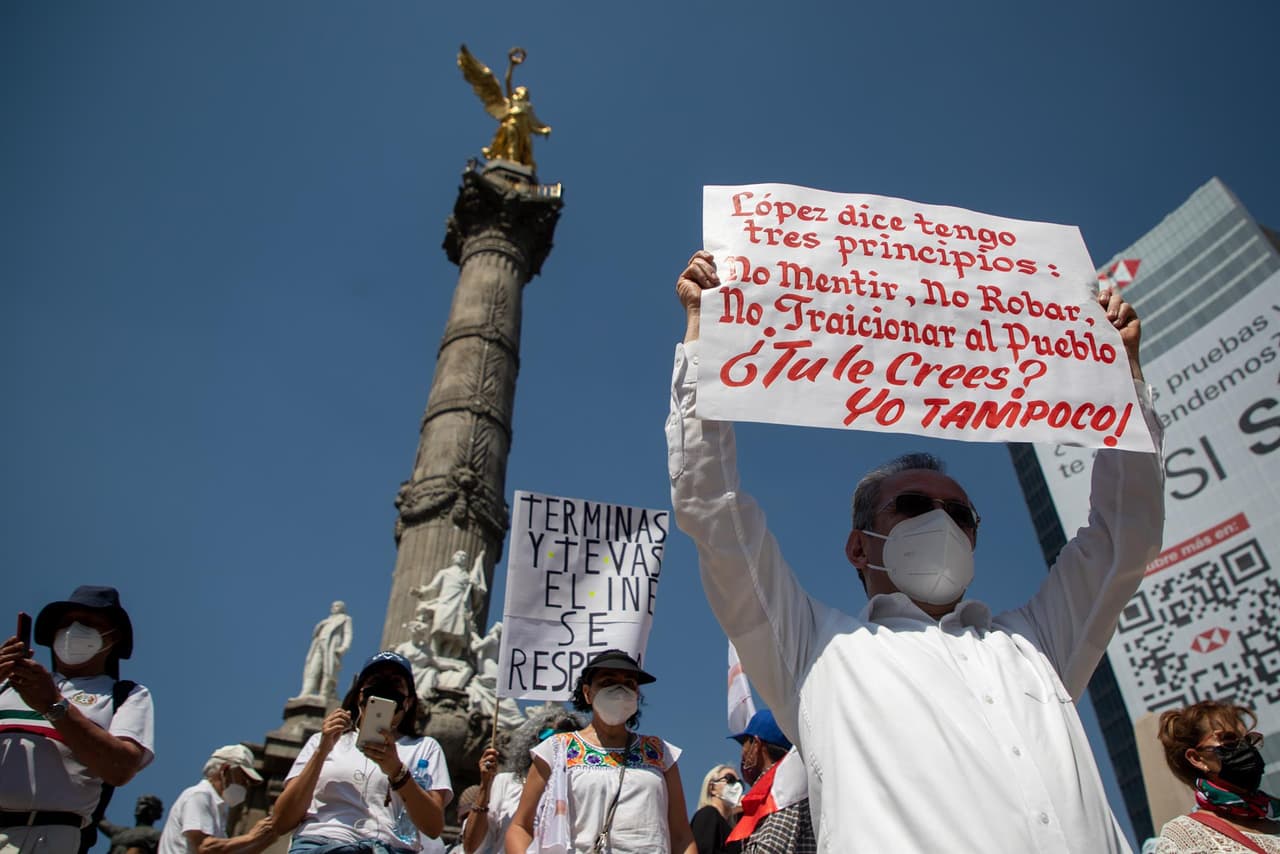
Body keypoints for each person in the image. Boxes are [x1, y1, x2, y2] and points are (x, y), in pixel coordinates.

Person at [669, 251, 1165, 851]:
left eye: (960, 514)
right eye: (911, 506)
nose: (940, 522)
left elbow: (1124, 534)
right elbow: (713, 510)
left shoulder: (1036, 645)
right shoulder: (814, 652)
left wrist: (1124, 377)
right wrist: (704, 342)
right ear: (858, 545)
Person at [0, 585, 156, 853]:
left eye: (88, 622)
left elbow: (120, 767)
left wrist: (53, 705)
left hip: (51, 838)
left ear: (113, 636)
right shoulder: (6, 685)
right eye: (65, 623)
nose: (72, 630)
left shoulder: (125, 695)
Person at [505, 649, 696, 854]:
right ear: (588, 693)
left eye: (629, 683)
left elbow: (681, 836)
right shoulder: (557, 750)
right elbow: (519, 827)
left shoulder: (660, 752)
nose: (620, 689)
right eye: (607, 681)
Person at [274, 651, 453, 853]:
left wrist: (397, 771)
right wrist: (322, 750)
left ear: (409, 701)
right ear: (360, 694)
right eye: (376, 681)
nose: (385, 688)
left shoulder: (424, 748)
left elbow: (433, 826)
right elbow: (281, 822)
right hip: (321, 844)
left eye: (395, 683)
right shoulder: (324, 740)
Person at [1154, 700, 1278, 852]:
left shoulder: (1274, 812)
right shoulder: (1185, 837)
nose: (1245, 748)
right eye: (1229, 739)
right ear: (1197, 758)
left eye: (1248, 740)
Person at [461, 708, 582, 854]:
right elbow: (471, 847)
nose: (558, 750)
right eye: (550, 741)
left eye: (568, 744)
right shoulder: (506, 783)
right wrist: (485, 787)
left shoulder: (582, 788)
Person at [156, 744, 274, 854]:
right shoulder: (199, 795)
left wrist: (267, 839)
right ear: (225, 770)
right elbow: (205, 847)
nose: (246, 784)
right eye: (243, 777)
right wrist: (251, 837)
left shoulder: (218, 808)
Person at [723, 711, 811, 854]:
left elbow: (770, 849)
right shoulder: (775, 788)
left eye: (744, 744)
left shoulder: (784, 788)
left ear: (756, 745)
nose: (742, 753)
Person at [298, 601, 354, 700]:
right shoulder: (326, 621)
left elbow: (347, 634)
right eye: (333, 606)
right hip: (319, 646)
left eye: (337, 606)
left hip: (331, 647)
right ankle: (305, 693)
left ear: (342, 608)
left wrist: (344, 647)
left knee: (328, 670)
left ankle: (324, 694)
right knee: (312, 669)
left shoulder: (345, 619)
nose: (334, 607)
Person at [690, 765, 741, 854]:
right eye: (730, 779)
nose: (737, 786)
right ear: (712, 787)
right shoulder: (708, 814)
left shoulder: (733, 828)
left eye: (740, 783)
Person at [99, 795, 164, 854]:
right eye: (139, 804)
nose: (139, 807)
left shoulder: (156, 835)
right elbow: (99, 820)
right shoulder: (121, 832)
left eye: (144, 804)